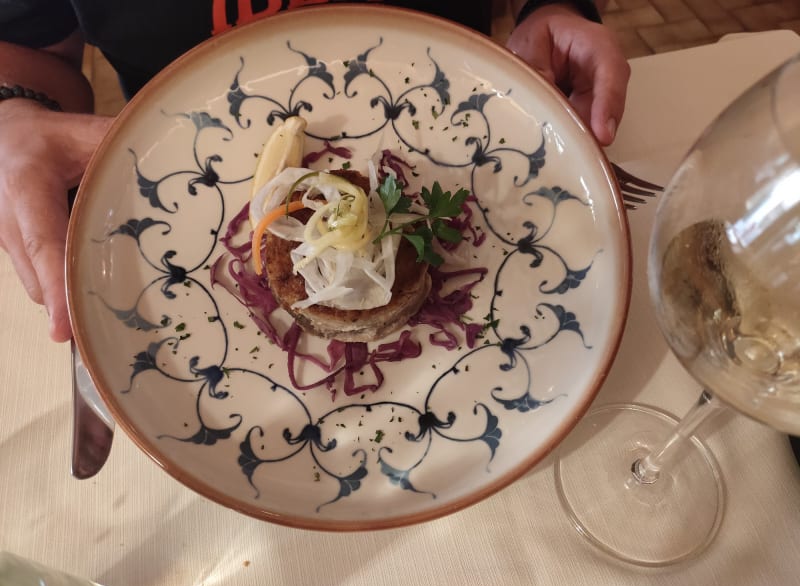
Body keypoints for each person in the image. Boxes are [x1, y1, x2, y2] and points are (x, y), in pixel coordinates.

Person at [0, 0, 629, 343]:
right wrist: (14, 112)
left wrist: (552, 9)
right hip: (168, 187)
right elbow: (33, 50)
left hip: (465, 130)